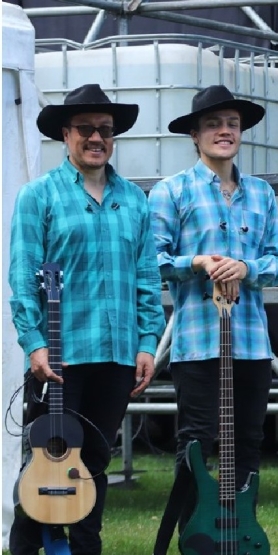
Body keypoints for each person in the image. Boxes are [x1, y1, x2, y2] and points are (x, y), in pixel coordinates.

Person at [8, 83, 165, 555]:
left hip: (117, 354)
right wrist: (34, 343)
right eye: (86, 129)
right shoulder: (39, 196)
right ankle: (25, 548)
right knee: (48, 458)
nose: (97, 138)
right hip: (60, 353)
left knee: (95, 459)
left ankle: (85, 548)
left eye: (106, 130)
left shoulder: (134, 200)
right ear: (65, 134)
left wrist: (147, 341)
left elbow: (146, 276)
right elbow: (22, 275)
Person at [148, 85, 278, 532]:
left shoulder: (262, 194)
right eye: (213, 124)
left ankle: (241, 530)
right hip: (197, 343)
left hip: (250, 343)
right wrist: (197, 262)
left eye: (231, 123)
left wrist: (245, 267)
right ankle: (196, 534)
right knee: (197, 441)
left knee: (249, 441)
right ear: (195, 134)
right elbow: (150, 262)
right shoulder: (171, 192)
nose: (224, 131)